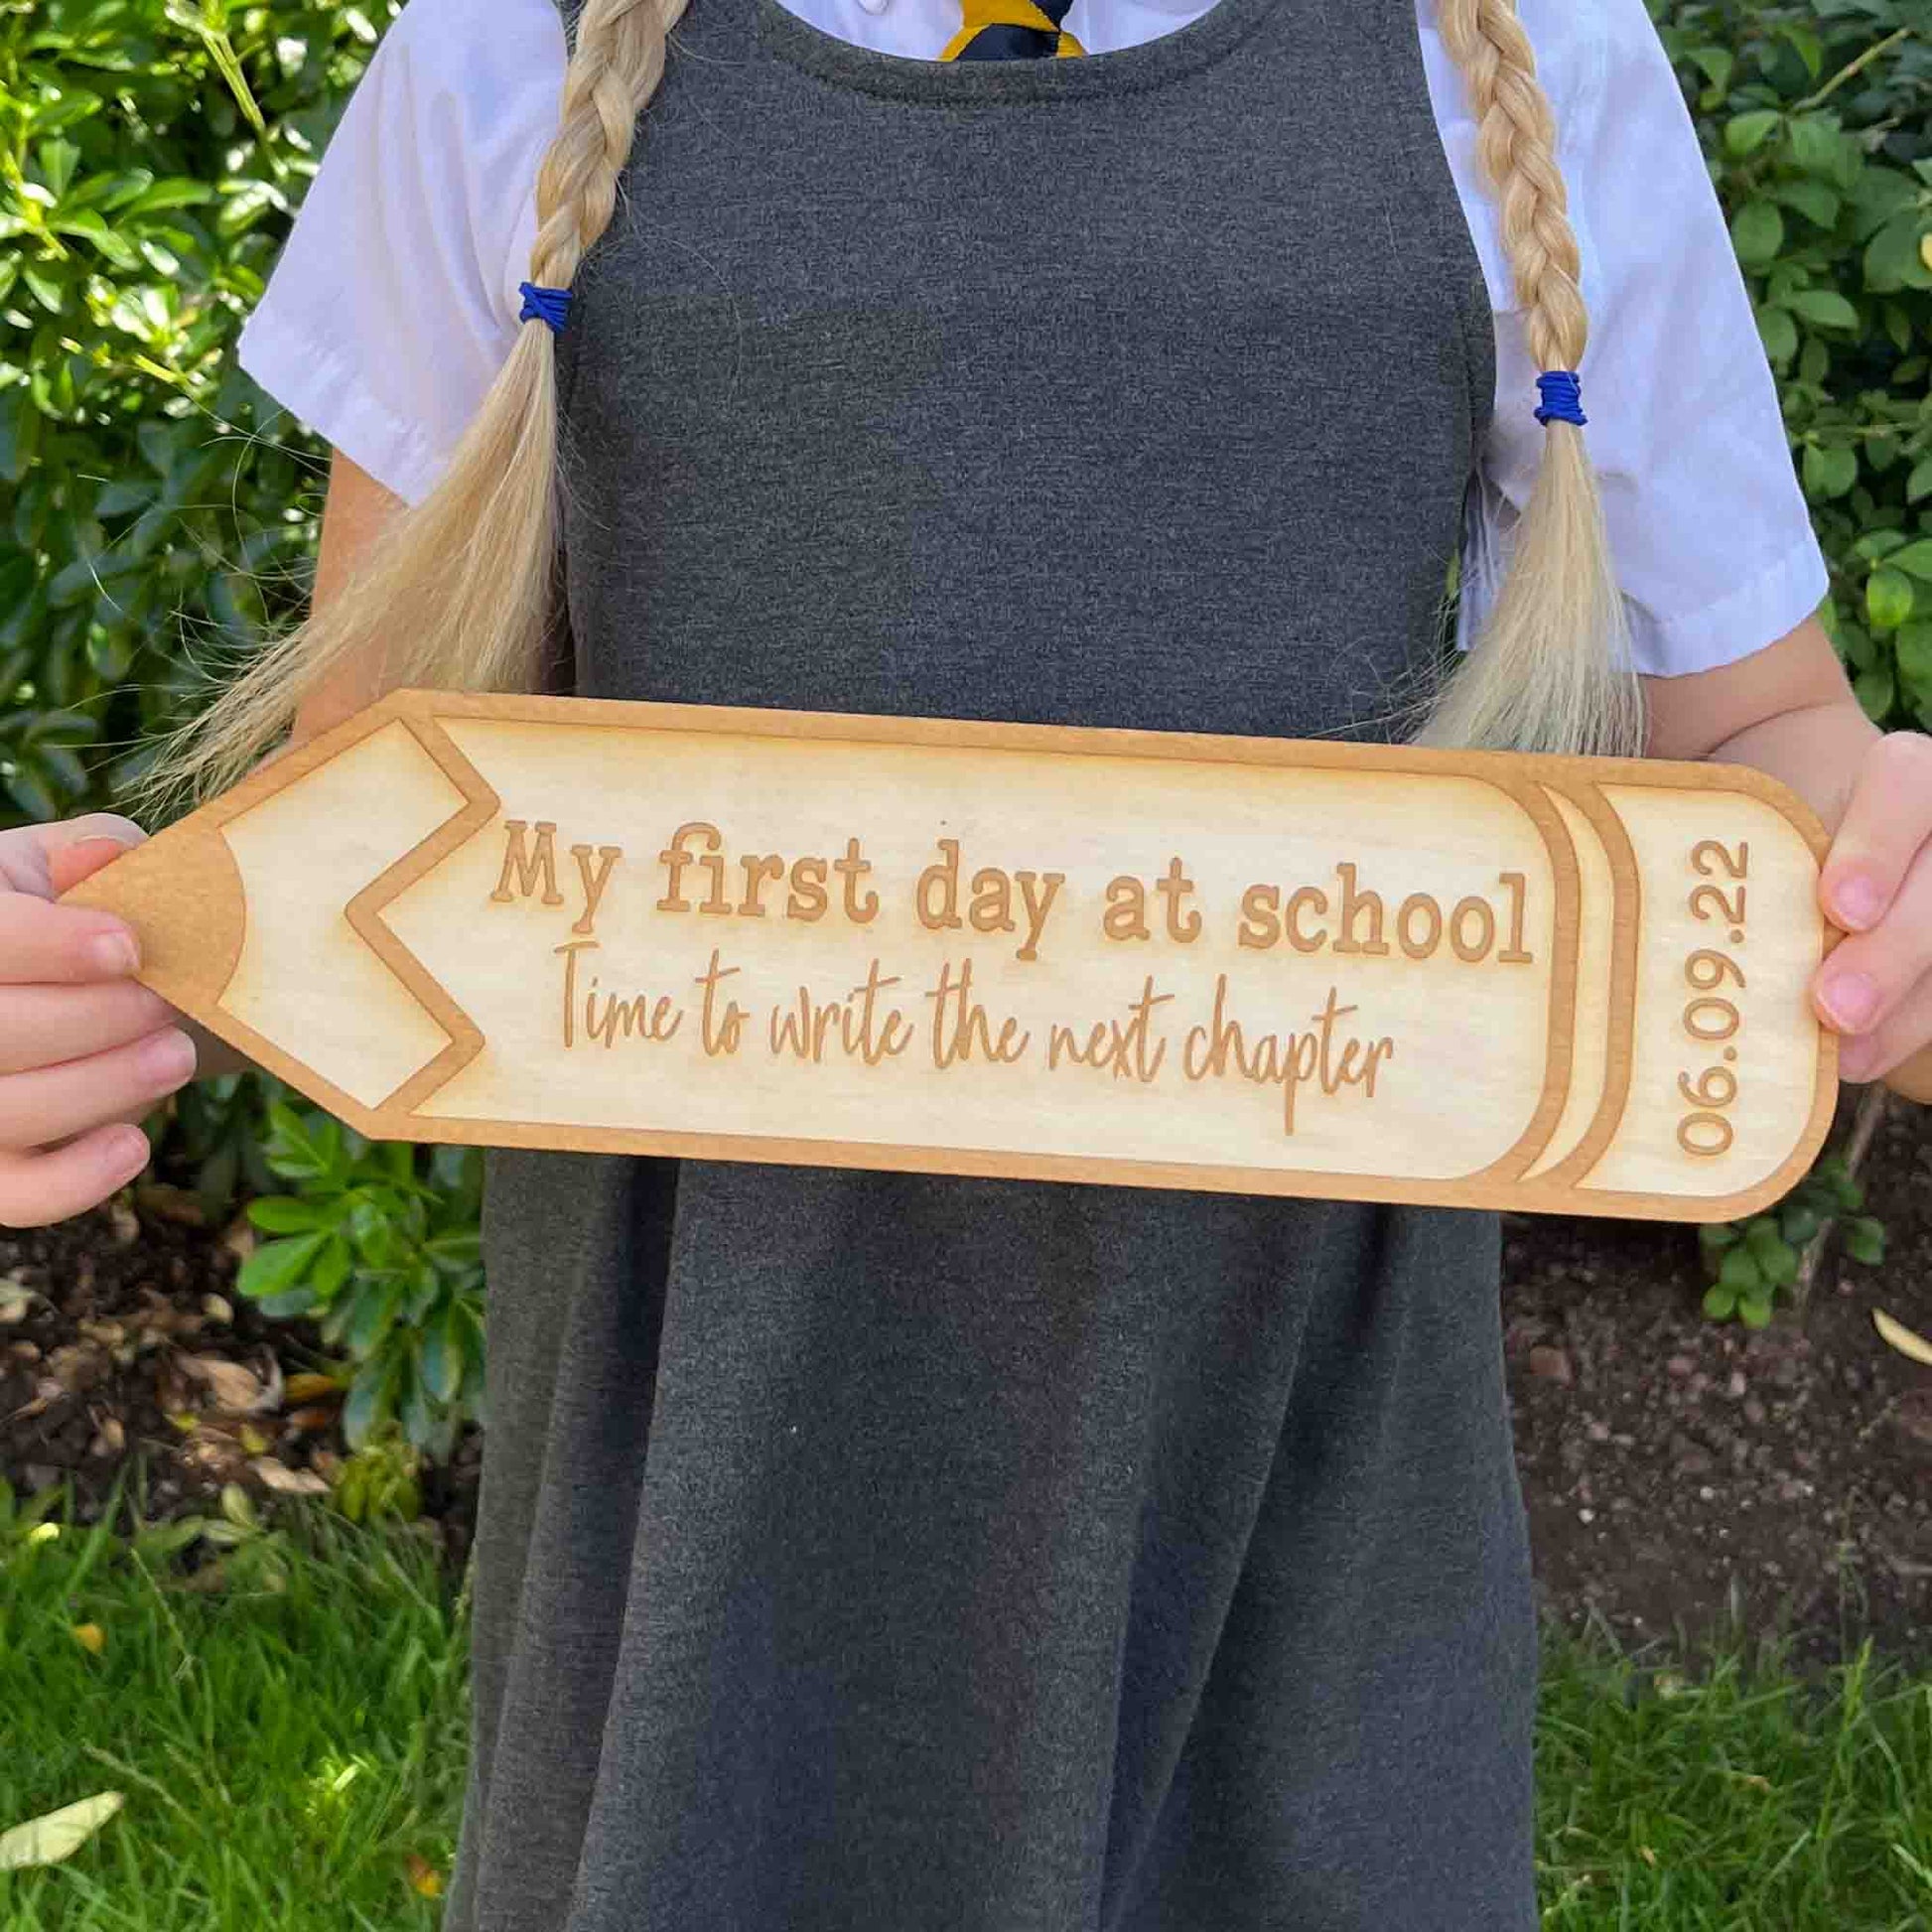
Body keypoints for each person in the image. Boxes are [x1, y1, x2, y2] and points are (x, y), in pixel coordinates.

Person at [7, 0, 1932, 1922]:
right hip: (708, 1517)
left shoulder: (1506, 51)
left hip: (1286, 1517)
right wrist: (93, 966)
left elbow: (1754, 738)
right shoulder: (515, 45)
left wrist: (1883, 886)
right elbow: (363, 813)